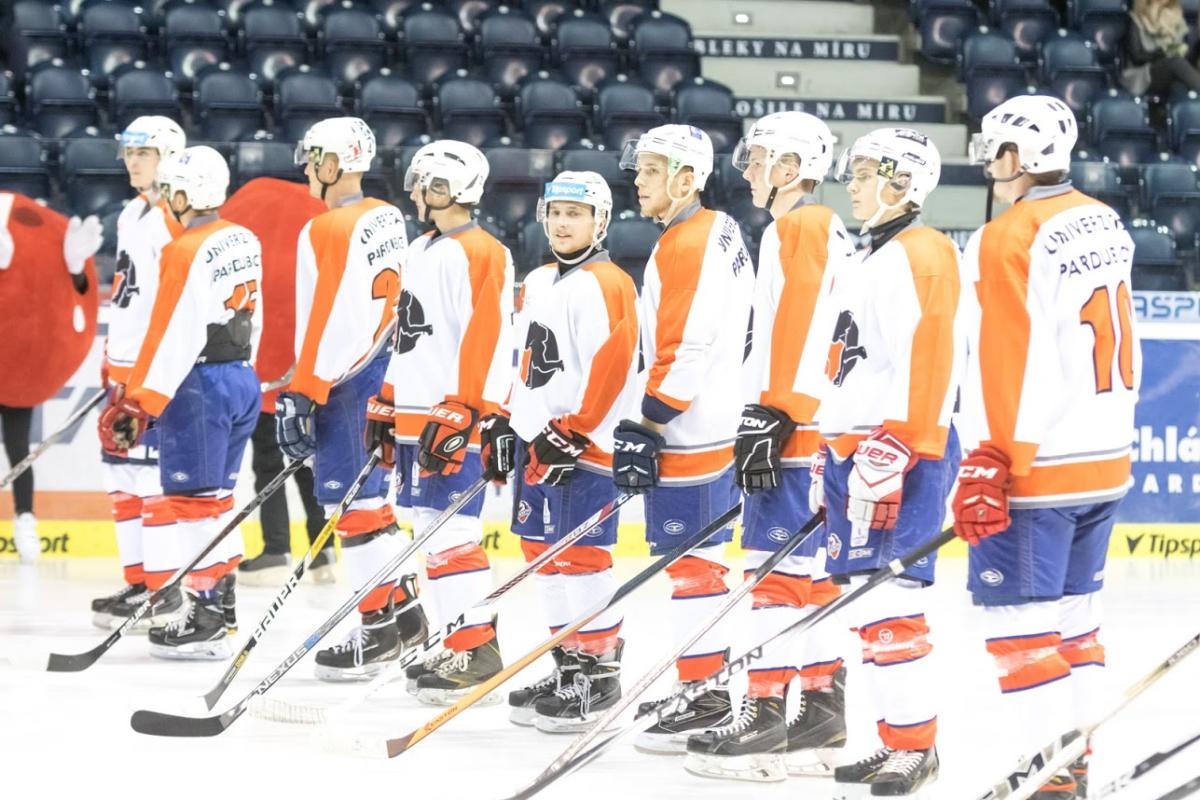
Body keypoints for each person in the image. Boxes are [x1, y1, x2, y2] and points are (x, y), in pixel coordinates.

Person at [958, 94, 1140, 800]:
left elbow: (1013, 355)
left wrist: (994, 456)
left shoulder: (1007, 235)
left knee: (1019, 627)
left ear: (1018, 158)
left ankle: (1050, 778)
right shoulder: (1104, 218)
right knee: (1076, 623)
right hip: (1106, 453)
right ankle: (1072, 763)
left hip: (1039, 465)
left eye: (993, 151)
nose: (987, 166)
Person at [684, 112, 856, 783]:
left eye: (759, 159)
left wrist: (774, 412)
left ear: (791, 166)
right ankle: (818, 710)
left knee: (774, 572)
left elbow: (803, 321)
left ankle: (763, 719)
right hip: (815, 422)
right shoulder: (816, 227)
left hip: (794, 424)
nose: (749, 170)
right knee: (809, 578)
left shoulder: (799, 225)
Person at [817, 128, 963, 796]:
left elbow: (931, 353)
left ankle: (917, 746)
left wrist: (900, 442)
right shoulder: (870, 253)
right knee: (864, 603)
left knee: (892, 602)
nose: (851, 182)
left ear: (903, 181)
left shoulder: (923, 252)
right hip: (861, 450)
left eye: (865, 171)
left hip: (899, 452)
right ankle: (895, 737)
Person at [609, 124, 755, 753]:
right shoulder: (718, 228)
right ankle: (705, 684)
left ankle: (707, 696)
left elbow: (685, 347)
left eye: (648, 171)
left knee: (694, 570)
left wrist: (649, 421)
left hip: (692, 431)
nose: (636, 181)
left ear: (686, 178)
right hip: (718, 420)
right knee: (703, 567)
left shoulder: (687, 241)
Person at [100, 145, 262, 660]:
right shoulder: (242, 237)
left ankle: (207, 612)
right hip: (241, 376)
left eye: (171, 189)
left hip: (200, 386)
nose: (166, 198)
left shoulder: (184, 249)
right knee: (218, 501)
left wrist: (140, 403)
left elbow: (172, 333)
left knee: (193, 505)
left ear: (185, 192)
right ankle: (224, 603)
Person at [280, 117, 425, 681]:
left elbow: (328, 318)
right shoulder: (386, 214)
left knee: (352, 510)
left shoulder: (326, 228)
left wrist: (303, 390)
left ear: (336, 163)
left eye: (314, 156)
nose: (307, 166)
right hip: (386, 369)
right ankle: (405, 612)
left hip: (345, 380)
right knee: (375, 506)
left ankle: (376, 630)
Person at [376, 140, 514, 706]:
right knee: (424, 528)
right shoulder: (422, 247)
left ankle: (476, 647)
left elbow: (489, 337)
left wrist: (467, 407)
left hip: (452, 418)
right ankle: (454, 636)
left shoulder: (482, 251)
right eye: (417, 182)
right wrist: (386, 399)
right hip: (416, 417)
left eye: (430, 184)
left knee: (450, 532)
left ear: (461, 190)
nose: (417, 193)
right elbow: (409, 336)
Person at [503, 170, 639, 732]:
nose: (561, 223)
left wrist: (577, 430)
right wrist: (505, 419)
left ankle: (599, 673)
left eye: (575, 214)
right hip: (537, 443)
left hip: (582, 446)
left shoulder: (609, 283)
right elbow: (521, 360)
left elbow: (614, 365)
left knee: (581, 558)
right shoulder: (536, 280)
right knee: (541, 551)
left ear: (600, 222)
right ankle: (567, 663)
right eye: (555, 211)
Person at [91, 116, 186, 627]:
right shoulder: (132, 213)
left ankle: (164, 590)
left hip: (151, 379)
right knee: (122, 479)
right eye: (128, 152)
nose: (132, 161)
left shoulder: (173, 217)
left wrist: (148, 375)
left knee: (153, 483)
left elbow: (172, 306)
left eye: (143, 152)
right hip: (121, 373)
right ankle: (137, 582)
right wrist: (113, 362)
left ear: (168, 157)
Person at [221, 179, 334, 587]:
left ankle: (275, 549)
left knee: (268, 461)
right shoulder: (318, 223)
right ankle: (324, 552)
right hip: (305, 367)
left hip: (262, 364)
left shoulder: (242, 226)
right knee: (305, 460)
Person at [1121, 0, 1200, 95]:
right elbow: (1137, 57)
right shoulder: (1135, 19)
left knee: (1178, 64)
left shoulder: (1177, 18)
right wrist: (1164, 52)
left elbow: (1186, 57)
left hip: (1173, 70)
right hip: (1143, 74)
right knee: (1175, 62)